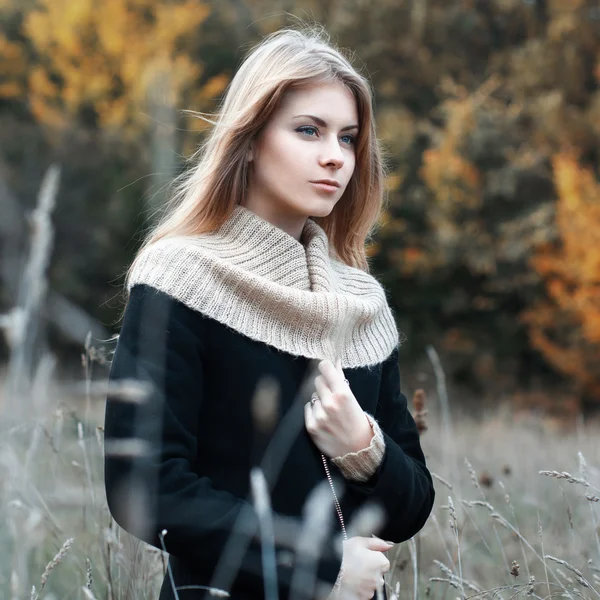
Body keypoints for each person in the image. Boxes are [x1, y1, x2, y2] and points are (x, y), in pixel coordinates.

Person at [103, 25, 435, 600]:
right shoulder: (180, 277)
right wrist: (322, 563)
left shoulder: (361, 302)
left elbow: (413, 508)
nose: (335, 156)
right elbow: (145, 485)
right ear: (251, 138)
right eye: (309, 130)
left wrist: (363, 447)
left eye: (349, 138)